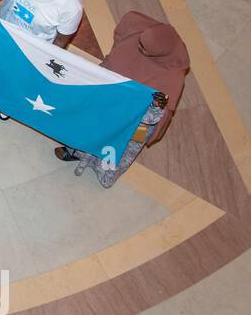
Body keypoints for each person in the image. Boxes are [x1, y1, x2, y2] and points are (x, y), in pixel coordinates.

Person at [56, 12, 188, 187]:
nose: (139, 49)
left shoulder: (172, 78)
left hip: (131, 121)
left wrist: (157, 107)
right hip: (108, 99)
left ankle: (103, 171)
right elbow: (122, 32)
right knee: (88, 124)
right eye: (140, 45)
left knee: (115, 144)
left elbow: (161, 114)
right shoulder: (139, 29)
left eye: (145, 50)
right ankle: (75, 150)